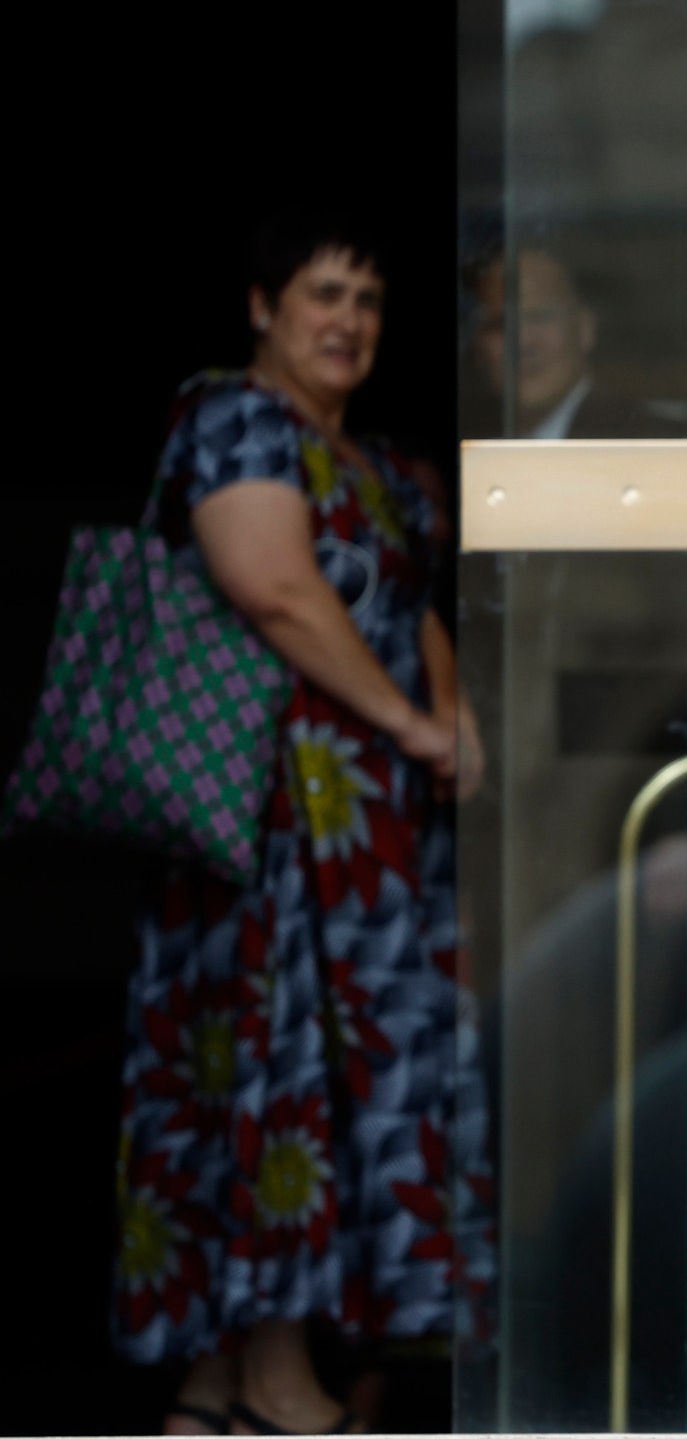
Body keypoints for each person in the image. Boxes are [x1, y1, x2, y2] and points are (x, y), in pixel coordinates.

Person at [114, 209, 489, 1435]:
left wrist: (449, 713)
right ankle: (274, 1388)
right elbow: (272, 587)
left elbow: (409, 598)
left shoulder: (373, 461)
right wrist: (412, 723)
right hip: (271, 824)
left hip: (370, 834)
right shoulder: (232, 417)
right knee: (269, 1088)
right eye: (324, 294)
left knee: (336, 1091)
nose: (348, 321)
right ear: (263, 308)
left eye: (367, 302)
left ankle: (221, 1392)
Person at [460, 244, 683, 440]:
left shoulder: (648, 442)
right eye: (501, 324)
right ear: (477, 344)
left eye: (540, 317)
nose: (522, 342)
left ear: (586, 328)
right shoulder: (468, 445)